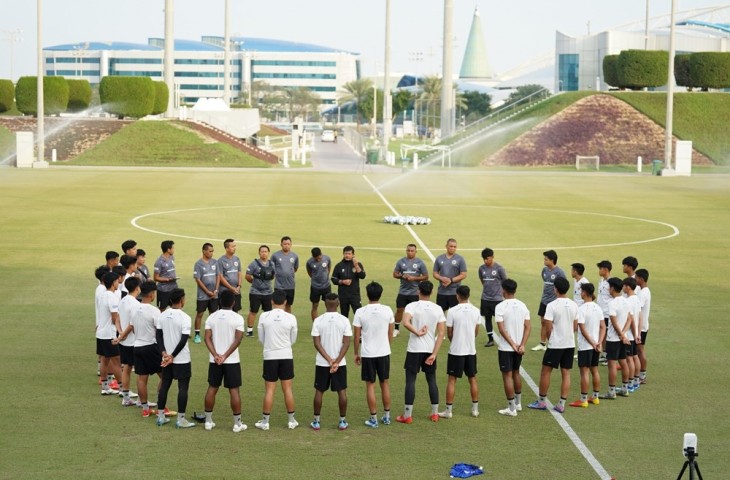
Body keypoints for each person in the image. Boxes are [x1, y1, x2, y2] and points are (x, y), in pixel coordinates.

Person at [397, 281, 446, 424]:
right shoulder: (437, 309)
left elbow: (405, 322)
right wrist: (434, 354)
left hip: (414, 350)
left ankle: (407, 415)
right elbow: (442, 333)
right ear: (432, 292)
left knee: (410, 381)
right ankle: (435, 413)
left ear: (419, 291)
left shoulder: (412, 306)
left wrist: (417, 332)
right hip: (430, 350)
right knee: (432, 380)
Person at [527, 276, 578, 413]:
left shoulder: (551, 305)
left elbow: (548, 327)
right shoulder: (574, 305)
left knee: (545, 371)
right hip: (570, 343)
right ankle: (562, 404)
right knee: (566, 373)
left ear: (555, 289)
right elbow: (575, 325)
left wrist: (551, 339)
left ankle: (542, 402)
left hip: (556, 344)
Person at [202, 289, 247, 433]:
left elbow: (207, 338)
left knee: (212, 388)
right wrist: (225, 356)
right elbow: (238, 339)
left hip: (214, 360)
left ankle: (208, 421)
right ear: (233, 302)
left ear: (220, 302)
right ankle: (237, 424)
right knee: (234, 390)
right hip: (232, 360)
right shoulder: (238, 318)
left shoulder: (212, 317)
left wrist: (216, 355)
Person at [255, 290, 299, 431]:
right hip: (286, 355)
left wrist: (269, 346)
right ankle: (291, 421)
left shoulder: (264, 316)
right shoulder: (291, 318)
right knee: (287, 389)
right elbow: (293, 339)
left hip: (270, 356)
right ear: (285, 302)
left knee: (269, 390)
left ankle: (265, 422)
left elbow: (261, 338)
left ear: (272, 301)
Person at [353, 282, 395, 428]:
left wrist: (356, 353)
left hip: (368, 354)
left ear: (367, 294)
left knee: (370, 386)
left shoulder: (360, 312)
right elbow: (391, 333)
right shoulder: (388, 310)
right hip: (384, 352)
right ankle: (387, 417)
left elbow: (356, 335)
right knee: (385, 383)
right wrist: (386, 346)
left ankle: (373, 418)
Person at [310, 293, 352, 431]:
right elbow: (346, 344)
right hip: (339, 364)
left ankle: (316, 421)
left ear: (325, 303)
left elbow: (317, 343)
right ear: (338, 303)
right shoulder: (344, 320)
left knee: (319, 391)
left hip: (322, 362)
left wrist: (328, 360)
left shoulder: (318, 320)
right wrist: (336, 362)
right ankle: (342, 421)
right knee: (342, 392)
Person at [438, 285, 481, 419]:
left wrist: (455, 341)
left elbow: (449, 332)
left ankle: (448, 411)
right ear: (468, 295)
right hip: (470, 350)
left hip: (456, 351)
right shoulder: (476, 310)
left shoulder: (452, 311)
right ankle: (475, 409)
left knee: (452, 380)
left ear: (457, 295)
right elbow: (476, 332)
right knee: (472, 379)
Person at [155, 288, 195, 428]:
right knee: (183, 388)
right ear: (182, 300)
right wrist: (173, 355)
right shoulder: (185, 317)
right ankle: (181, 419)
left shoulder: (162, 315)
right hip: (181, 358)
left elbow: (158, 336)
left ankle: (160, 417)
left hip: (166, 358)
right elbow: (183, 340)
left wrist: (164, 353)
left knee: (165, 385)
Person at [495, 279, 531, 416]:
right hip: (519, 348)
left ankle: (511, 408)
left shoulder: (500, 306)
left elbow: (502, 330)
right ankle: (518, 403)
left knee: (507, 376)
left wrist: (512, 344)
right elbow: (528, 327)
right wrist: (522, 345)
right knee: (516, 372)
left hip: (506, 348)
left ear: (504, 290)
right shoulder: (523, 305)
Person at [569, 283, 606, 408]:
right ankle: (595, 397)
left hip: (586, 346)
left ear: (584, 292)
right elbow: (603, 327)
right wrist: (599, 342)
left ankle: (583, 399)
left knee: (584, 372)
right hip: (596, 345)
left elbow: (583, 330)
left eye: (581, 290)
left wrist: (592, 343)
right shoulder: (598, 308)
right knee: (594, 370)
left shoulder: (582, 309)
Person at [131, 281, 162, 418]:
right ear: (151, 294)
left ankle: (145, 409)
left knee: (142, 378)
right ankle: (162, 406)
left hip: (137, 346)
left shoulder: (135, 309)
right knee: (165, 376)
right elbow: (160, 330)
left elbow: (132, 327)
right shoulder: (154, 311)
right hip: (151, 346)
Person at [599, 278, 632, 400]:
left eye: (609, 287)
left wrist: (620, 335)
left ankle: (611, 391)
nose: (608, 289)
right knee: (623, 361)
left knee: (612, 364)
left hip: (613, 338)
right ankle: (624, 389)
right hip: (623, 337)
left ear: (612, 288)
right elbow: (629, 319)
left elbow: (613, 321)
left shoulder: (612, 303)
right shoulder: (626, 301)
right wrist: (623, 334)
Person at [531, 249, 566, 351]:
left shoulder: (560, 272)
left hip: (554, 302)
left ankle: (553, 342)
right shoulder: (545, 270)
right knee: (543, 322)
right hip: (544, 300)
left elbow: (563, 285)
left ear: (552, 260)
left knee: (553, 323)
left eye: (546, 259)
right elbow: (545, 280)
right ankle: (542, 343)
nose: (544, 261)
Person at [115, 276, 141, 406]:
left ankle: (126, 398)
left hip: (124, 342)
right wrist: (122, 335)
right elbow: (132, 325)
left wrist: (120, 332)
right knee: (141, 371)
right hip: (132, 342)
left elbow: (117, 319)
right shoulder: (136, 304)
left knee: (126, 367)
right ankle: (142, 400)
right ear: (137, 288)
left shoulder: (123, 300)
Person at [392, 244, 429, 337]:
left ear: (416, 252)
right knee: (400, 310)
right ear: (406, 251)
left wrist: (414, 278)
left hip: (415, 292)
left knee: (415, 312)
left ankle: (415, 329)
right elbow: (395, 274)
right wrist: (401, 276)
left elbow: (426, 276)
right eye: (408, 250)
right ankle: (396, 329)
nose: (410, 252)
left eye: (412, 251)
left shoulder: (420, 262)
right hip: (403, 291)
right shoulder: (401, 261)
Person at [97, 272, 123, 395]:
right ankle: (123, 389)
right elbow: (114, 318)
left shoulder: (103, 295)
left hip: (101, 333)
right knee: (116, 361)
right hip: (109, 334)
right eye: (117, 281)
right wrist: (121, 332)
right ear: (113, 283)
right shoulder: (112, 297)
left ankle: (105, 387)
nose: (118, 283)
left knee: (104, 359)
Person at [478, 247, 507, 347]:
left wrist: (501, 294)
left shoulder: (499, 268)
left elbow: (504, 281)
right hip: (485, 298)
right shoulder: (481, 269)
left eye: (488, 258)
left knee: (501, 319)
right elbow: (482, 280)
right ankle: (490, 340)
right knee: (488, 319)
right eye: (484, 259)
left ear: (492, 257)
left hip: (497, 299)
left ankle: (504, 337)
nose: (486, 261)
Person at [245, 245, 275, 337]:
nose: (264, 253)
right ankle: (249, 330)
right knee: (253, 311)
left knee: (268, 312)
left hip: (268, 292)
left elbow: (273, 275)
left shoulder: (272, 264)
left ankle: (267, 330)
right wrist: (254, 283)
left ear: (268, 253)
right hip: (255, 292)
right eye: (262, 251)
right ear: (259, 253)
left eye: (266, 251)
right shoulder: (254, 264)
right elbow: (247, 275)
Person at [193, 243, 219, 344]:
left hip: (214, 294)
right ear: (204, 251)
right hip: (203, 295)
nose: (211, 253)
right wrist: (207, 291)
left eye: (212, 251)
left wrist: (216, 290)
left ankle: (211, 335)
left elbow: (218, 276)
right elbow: (198, 280)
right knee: (200, 314)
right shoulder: (198, 264)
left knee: (213, 314)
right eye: (210, 251)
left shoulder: (215, 262)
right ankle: (197, 335)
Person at [432, 238, 467, 312]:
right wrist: (441, 278)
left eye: (454, 247)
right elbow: (435, 273)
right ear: (446, 246)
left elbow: (463, 274)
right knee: (440, 314)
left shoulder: (460, 259)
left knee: (456, 314)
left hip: (455, 293)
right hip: (442, 292)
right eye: (451, 246)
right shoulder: (439, 258)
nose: (453, 248)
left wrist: (450, 280)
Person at [330, 246, 366, 318]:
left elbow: (362, 276)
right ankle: (345, 329)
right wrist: (342, 281)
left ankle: (360, 329)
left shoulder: (358, 264)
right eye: (345, 253)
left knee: (359, 315)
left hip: (355, 295)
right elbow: (333, 279)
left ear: (353, 255)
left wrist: (356, 266)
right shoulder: (339, 266)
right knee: (344, 315)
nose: (347, 255)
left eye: (349, 254)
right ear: (343, 254)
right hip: (343, 295)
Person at [272, 236, 299, 314]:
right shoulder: (275, 255)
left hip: (290, 286)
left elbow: (295, 268)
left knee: (288, 305)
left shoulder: (294, 256)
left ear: (291, 245)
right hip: (279, 286)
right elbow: (272, 267)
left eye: (288, 244)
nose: (286, 245)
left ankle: (288, 322)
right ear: (281, 244)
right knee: (277, 306)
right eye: (285, 244)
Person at [623, 277, 641, 393]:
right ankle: (636, 381)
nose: (623, 288)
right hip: (634, 334)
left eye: (624, 286)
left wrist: (625, 333)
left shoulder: (628, 301)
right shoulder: (637, 299)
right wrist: (638, 334)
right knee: (635, 357)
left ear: (628, 287)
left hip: (629, 335)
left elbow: (630, 320)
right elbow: (639, 317)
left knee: (629, 359)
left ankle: (629, 384)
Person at [635, 269, 651, 384]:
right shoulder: (644, 291)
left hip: (641, 327)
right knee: (638, 350)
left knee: (640, 350)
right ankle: (640, 374)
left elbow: (637, 310)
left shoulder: (643, 293)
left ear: (641, 279)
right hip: (642, 326)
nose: (635, 279)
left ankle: (642, 375)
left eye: (636, 277)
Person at [218, 239, 243, 313]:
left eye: (235, 246)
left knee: (236, 312)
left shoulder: (237, 259)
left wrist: (239, 286)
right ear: (226, 248)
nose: (234, 248)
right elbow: (220, 277)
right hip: (225, 292)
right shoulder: (220, 261)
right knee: (224, 312)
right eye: (232, 246)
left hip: (236, 291)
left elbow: (239, 272)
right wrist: (231, 288)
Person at [306, 247, 332, 321]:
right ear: (313, 256)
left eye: (319, 257)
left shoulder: (327, 258)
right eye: (316, 258)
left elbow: (329, 267)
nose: (318, 259)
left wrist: (326, 275)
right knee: (315, 305)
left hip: (326, 286)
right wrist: (314, 278)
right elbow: (309, 271)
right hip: (315, 287)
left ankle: (328, 323)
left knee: (328, 305)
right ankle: (315, 325)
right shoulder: (309, 262)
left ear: (321, 254)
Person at [595, 260, 613, 364]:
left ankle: (608, 355)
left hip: (607, 313)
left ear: (605, 270)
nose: (599, 271)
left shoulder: (611, 282)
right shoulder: (601, 281)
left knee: (607, 334)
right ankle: (604, 354)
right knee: (602, 333)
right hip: (600, 312)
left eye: (600, 269)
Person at [154, 240, 178, 311]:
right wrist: (167, 279)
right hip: (163, 290)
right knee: (162, 309)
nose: (174, 250)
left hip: (173, 288)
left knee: (175, 308)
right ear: (168, 250)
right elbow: (156, 277)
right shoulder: (159, 262)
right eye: (173, 248)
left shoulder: (172, 257)